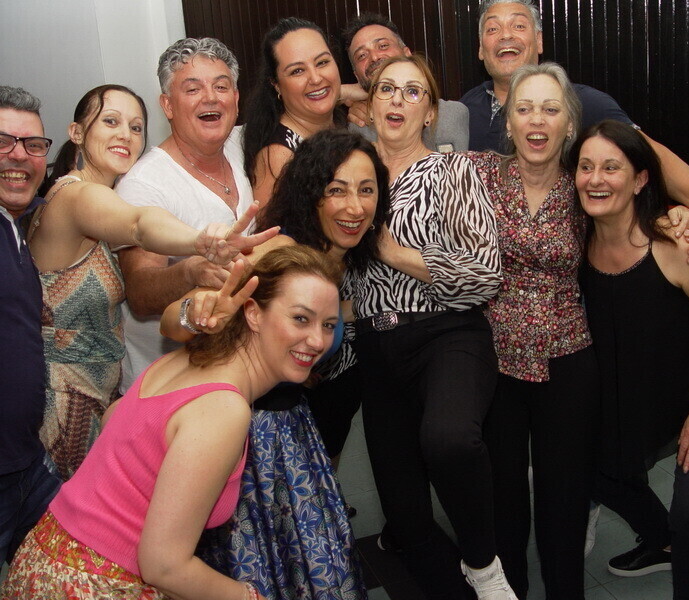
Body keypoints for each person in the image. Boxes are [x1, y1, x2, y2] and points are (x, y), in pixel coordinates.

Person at [0, 246, 342, 600]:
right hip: (93, 583)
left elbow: (115, 419)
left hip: (46, 557)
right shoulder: (225, 408)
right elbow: (164, 567)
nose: (317, 340)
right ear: (253, 313)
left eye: (329, 325)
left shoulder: (183, 360)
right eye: (300, 319)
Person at [163, 130, 389, 599]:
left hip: (299, 438)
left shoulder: (349, 263)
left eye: (366, 190)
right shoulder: (277, 251)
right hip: (243, 442)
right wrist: (198, 312)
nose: (354, 206)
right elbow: (173, 320)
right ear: (311, 194)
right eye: (337, 190)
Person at [28, 84, 272, 481]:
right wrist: (201, 240)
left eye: (136, 127)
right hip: (64, 403)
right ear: (77, 132)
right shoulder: (76, 197)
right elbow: (140, 224)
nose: (125, 135)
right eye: (111, 121)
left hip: (96, 394)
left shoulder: (98, 198)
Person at [574, 120, 689, 600]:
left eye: (611, 167)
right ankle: (662, 541)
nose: (596, 179)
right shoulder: (577, 240)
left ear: (640, 179)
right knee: (592, 468)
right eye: (586, 167)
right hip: (653, 388)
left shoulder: (679, 240)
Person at [350, 54, 513, 600]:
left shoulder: (453, 171)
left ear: (429, 113)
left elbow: (485, 272)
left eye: (412, 91)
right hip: (376, 345)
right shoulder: (351, 177)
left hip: (448, 333)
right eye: (386, 89)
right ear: (370, 105)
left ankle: (484, 565)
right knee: (405, 515)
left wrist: (393, 251)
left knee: (448, 439)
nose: (397, 99)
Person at [462, 0, 689, 271]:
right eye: (493, 29)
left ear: (539, 41)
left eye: (519, 25)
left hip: (572, 276)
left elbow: (651, 155)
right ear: (481, 48)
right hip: (483, 280)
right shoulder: (464, 110)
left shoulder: (584, 103)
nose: (506, 35)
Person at [465, 62, 597, 599]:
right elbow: (403, 163)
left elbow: (644, 185)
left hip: (568, 359)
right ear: (508, 121)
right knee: (504, 501)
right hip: (493, 362)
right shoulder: (476, 173)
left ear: (569, 124)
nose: (536, 120)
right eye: (524, 109)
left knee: (564, 501)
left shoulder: (587, 184)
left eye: (550, 108)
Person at [116, 37, 254, 394]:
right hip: (168, 389)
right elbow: (139, 292)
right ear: (168, 105)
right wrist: (191, 271)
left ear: (236, 98)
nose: (211, 98)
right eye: (192, 89)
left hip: (238, 376)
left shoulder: (244, 146)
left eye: (221, 86)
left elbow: (301, 112)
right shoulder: (144, 185)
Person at [0, 86, 62, 567]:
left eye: (33, 145)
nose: (19, 155)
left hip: (28, 464)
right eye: (3, 141)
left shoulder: (21, 223)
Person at [243, 17, 343, 204]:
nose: (315, 78)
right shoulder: (280, 157)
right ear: (276, 85)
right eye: (297, 71)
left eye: (322, 62)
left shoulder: (341, 123)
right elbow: (272, 224)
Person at [341, 12, 469, 153]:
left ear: (407, 53)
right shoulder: (359, 125)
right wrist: (344, 92)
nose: (374, 57)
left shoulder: (452, 115)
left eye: (383, 46)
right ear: (357, 76)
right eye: (362, 55)